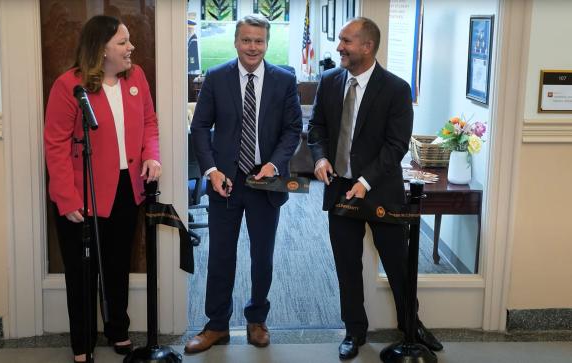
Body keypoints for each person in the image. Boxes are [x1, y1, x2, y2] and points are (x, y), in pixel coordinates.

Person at [307, 17, 443, 360]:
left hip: (381, 191)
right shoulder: (329, 81)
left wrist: (365, 182)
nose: (339, 47)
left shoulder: (396, 89)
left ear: (367, 47)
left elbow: (395, 145)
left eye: (346, 41)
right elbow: (317, 127)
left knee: (398, 264)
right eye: (340, 40)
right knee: (347, 266)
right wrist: (320, 158)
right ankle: (354, 330)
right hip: (339, 189)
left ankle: (411, 326)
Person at [44, 15, 161, 363]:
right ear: (102, 49)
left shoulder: (136, 77)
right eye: (123, 42)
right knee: (83, 272)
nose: (131, 48)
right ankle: (82, 343)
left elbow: (150, 124)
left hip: (127, 189)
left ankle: (118, 330)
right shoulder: (69, 86)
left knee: (116, 264)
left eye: (129, 42)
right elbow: (56, 145)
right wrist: (66, 198)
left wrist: (151, 156)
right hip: (82, 195)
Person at [186, 14, 302, 354]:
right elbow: (200, 127)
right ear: (236, 42)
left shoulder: (284, 80)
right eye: (246, 40)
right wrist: (211, 170)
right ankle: (216, 325)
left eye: (259, 41)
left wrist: (274, 163)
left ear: (266, 43)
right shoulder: (217, 77)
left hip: (266, 182)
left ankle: (257, 319)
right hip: (226, 182)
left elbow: (292, 129)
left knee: (262, 255)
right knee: (221, 254)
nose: (253, 47)